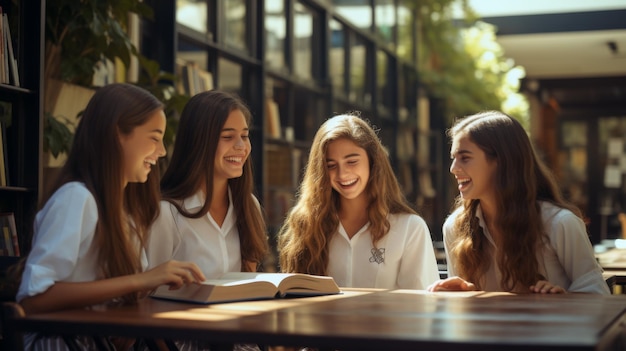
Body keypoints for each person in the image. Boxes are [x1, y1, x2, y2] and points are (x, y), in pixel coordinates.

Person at [16, 83, 206, 350]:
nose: (162, 152)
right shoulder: (76, 198)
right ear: (118, 134)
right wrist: (144, 279)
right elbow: (34, 299)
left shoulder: (126, 210)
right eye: (154, 137)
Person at [428, 110, 610, 294]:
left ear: (502, 161)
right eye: (454, 159)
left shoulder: (559, 223)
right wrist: (463, 295)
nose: (453, 169)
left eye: (465, 158)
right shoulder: (455, 227)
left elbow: (598, 295)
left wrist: (564, 300)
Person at [278, 113, 440, 289]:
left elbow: (421, 306)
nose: (342, 174)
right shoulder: (307, 225)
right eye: (331, 165)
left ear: (372, 161)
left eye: (352, 161)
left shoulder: (410, 228)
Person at [146, 89, 269, 278]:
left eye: (244, 136)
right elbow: (149, 290)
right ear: (199, 141)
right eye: (228, 137)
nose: (241, 146)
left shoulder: (249, 206)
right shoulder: (166, 213)